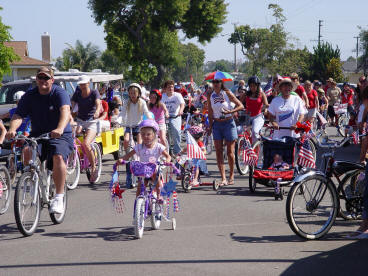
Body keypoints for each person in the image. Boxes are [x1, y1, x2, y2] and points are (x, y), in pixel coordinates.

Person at [6, 66, 73, 214]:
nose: (43, 80)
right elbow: (18, 116)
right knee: (27, 150)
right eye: (40, 77)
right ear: (36, 79)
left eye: (46, 78)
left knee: (58, 156)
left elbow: (65, 111)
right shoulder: (30, 96)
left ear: (52, 80)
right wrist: (12, 129)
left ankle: (59, 197)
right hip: (38, 134)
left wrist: (60, 128)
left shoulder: (59, 93)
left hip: (60, 134)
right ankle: (30, 179)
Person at [117, 119, 171, 199]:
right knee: (140, 186)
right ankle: (138, 203)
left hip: (154, 169)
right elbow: (128, 155)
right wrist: (122, 159)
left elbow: (168, 156)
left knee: (156, 176)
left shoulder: (158, 147)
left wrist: (167, 160)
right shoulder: (139, 147)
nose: (145, 136)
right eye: (143, 134)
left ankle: (160, 196)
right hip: (143, 171)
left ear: (154, 135)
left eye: (148, 134)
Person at [208, 78, 244, 186]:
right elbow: (210, 112)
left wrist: (231, 111)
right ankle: (223, 177)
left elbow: (241, 105)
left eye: (217, 82)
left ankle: (231, 176)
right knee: (218, 151)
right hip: (217, 124)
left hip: (228, 123)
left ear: (221, 83)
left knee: (230, 152)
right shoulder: (211, 95)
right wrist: (209, 126)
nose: (215, 84)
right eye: (213, 82)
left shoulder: (227, 93)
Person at [71, 75, 101, 182]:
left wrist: (97, 111)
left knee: (86, 143)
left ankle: (93, 167)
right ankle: (73, 159)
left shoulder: (94, 92)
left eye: (84, 83)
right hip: (80, 120)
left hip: (92, 121)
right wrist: (70, 112)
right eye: (81, 84)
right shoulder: (77, 93)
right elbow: (72, 104)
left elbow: (98, 103)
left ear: (88, 83)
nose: (82, 85)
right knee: (72, 136)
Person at [240, 76, 269, 142]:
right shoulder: (246, 94)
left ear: (258, 86)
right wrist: (234, 111)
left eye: (254, 86)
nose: (253, 87)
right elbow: (239, 103)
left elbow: (266, 104)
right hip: (247, 116)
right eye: (251, 86)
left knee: (255, 132)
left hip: (258, 117)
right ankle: (241, 148)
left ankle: (255, 149)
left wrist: (272, 106)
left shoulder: (262, 94)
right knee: (240, 130)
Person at [161, 80, 185, 156]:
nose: (171, 88)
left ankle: (177, 151)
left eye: (172, 87)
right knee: (162, 133)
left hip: (175, 116)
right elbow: (159, 105)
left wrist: (181, 111)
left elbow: (182, 104)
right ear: (165, 89)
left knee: (176, 132)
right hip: (165, 117)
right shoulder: (163, 96)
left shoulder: (177, 95)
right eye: (169, 87)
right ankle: (164, 152)